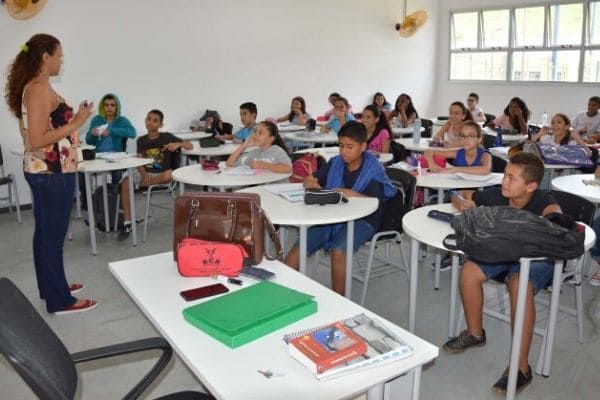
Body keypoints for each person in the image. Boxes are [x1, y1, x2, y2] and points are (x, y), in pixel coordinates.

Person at [444, 152, 562, 394]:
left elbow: (556, 215)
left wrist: (553, 219)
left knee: (519, 284)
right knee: (469, 270)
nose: (504, 181)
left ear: (531, 186)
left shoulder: (543, 200)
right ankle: (475, 333)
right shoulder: (497, 194)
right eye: (505, 175)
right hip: (504, 252)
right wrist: (461, 203)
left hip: (537, 258)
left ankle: (521, 368)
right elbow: (461, 195)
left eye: (511, 177)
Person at [5, 33, 97, 314]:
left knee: (46, 233)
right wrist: (77, 123)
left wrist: (72, 129)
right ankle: (60, 300)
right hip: (51, 173)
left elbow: (36, 134)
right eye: (59, 55)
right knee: (52, 236)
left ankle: (51, 286)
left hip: (49, 170)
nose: (61, 60)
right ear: (45, 56)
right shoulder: (38, 90)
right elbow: (35, 139)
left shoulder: (37, 87)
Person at [285, 121, 397, 295]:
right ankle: (283, 294)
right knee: (301, 244)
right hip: (333, 215)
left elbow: (375, 200)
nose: (344, 151)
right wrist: (310, 185)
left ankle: (339, 302)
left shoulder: (373, 169)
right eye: (341, 145)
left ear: (363, 146)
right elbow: (311, 178)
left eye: (349, 147)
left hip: (365, 220)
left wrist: (351, 193)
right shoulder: (335, 163)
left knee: (338, 251)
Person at [118, 109, 192, 241]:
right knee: (125, 182)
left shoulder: (167, 137)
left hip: (162, 175)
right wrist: (144, 175)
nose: (150, 122)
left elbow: (190, 146)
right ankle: (127, 223)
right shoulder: (141, 140)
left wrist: (179, 143)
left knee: (170, 174)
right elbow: (139, 161)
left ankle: (140, 185)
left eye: (155, 121)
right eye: (148, 119)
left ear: (161, 125)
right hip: (144, 173)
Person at [80, 93, 136, 209]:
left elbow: (132, 133)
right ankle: (86, 201)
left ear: (117, 107)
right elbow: (88, 140)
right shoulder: (96, 120)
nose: (109, 108)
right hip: (98, 156)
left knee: (117, 172)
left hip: (116, 155)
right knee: (81, 172)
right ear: (103, 107)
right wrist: (93, 134)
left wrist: (111, 131)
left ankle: (115, 199)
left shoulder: (122, 120)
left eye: (112, 105)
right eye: (106, 105)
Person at [424, 121, 491, 174]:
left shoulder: (485, 155)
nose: (465, 139)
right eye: (463, 136)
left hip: (478, 190)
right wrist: (431, 163)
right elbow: (429, 151)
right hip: (458, 189)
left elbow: (485, 170)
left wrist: (455, 169)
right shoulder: (458, 152)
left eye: (470, 136)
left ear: (479, 139)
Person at [226, 120, 291, 173]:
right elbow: (229, 163)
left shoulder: (277, 151)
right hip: (261, 187)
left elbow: (288, 168)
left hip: (276, 187)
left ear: (271, 139)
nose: (256, 135)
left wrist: (264, 165)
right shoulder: (255, 152)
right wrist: (244, 145)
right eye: (255, 132)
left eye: (260, 133)